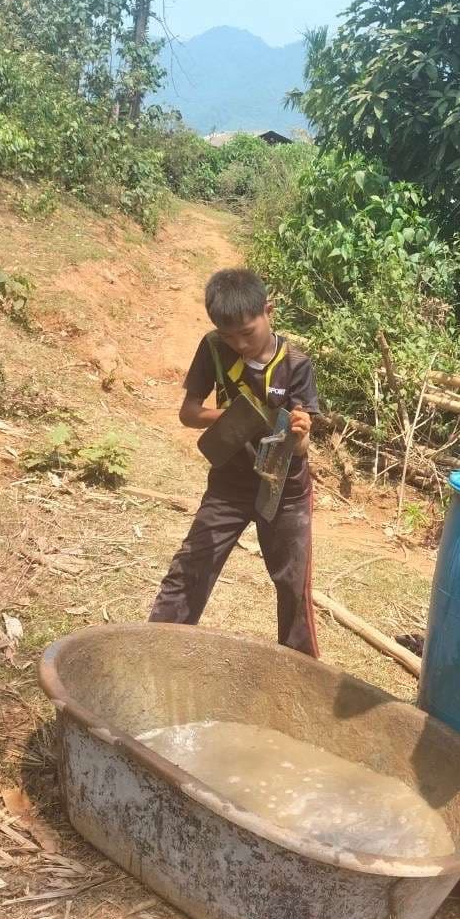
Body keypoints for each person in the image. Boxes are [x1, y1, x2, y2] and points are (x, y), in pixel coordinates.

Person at [149, 267, 320, 656]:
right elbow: (189, 414)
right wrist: (238, 415)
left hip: (284, 485)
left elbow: (302, 448)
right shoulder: (213, 347)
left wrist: (298, 431)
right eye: (229, 335)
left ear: (268, 310)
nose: (239, 343)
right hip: (231, 479)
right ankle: (154, 650)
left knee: (293, 583)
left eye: (247, 332)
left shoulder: (296, 363)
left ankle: (300, 672)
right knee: (192, 566)